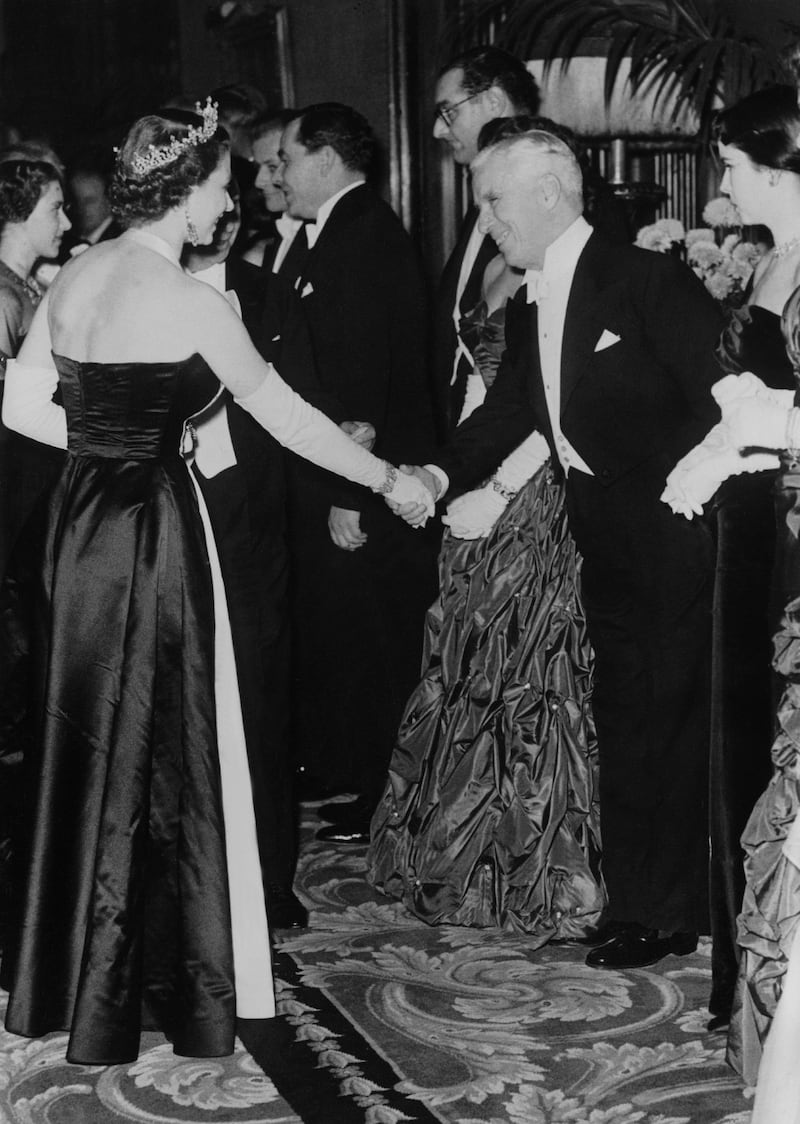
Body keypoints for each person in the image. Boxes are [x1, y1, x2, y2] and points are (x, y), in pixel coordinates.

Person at [0, 100, 432, 1066]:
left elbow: (23, 403)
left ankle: (65, 962)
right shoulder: (195, 300)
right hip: (154, 524)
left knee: (86, 733)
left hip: (78, 528)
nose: (229, 203)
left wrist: (107, 449)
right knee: (173, 742)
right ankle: (163, 976)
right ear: (187, 191)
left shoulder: (74, 273)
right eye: (221, 187)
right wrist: (392, 481)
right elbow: (289, 419)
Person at [394, 123, 725, 969]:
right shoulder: (537, 292)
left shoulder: (645, 279)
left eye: (495, 202)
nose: (487, 222)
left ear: (548, 194)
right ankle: (638, 903)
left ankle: (670, 909)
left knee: (667, 720)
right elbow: (511, 410)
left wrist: (670, 496)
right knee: (624, 716)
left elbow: (718, 405)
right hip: (601, 540)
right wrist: (436, 475)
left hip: (671, 534)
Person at [367, 226, 604, 936]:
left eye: (497, 193)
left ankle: (537, 869)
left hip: (527, 488)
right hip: (474, 466)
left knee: (527, 666)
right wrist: (451, 474)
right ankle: (457, 857)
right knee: (465, 657)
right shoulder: (505, 264)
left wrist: (497, 489)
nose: (488, 210)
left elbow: (548, 405)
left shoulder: (564, 274)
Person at [663, 84, 800, 1032]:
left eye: (735, 165)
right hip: (748, 528)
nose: (721, 182)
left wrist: (761, 430)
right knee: (738, 737)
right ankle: (745, 980)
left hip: (790, 534)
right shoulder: (773, 259)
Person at [274, 103, 439, 838]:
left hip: (365, 481)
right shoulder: (335, 232)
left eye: (284, 159)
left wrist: (351, 491)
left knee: (376, 643)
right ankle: (360, 778)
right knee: (350, 636)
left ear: (325, 157)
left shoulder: (364, 235)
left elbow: (366, 383)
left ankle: (384, 795)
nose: (275, 174)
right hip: (340, 475)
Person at [182, 174, 309, 930]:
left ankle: (267, 881)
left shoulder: (268, 294)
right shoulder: (132, 285)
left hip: (252, 522)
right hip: (165, 509)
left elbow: (299, 405)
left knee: (261, 699)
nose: (227, 218)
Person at [431, 46, 629, 440]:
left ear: (493, 100)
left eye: (448, 111)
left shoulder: (578, 200)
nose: (438, 130)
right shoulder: (482, 200)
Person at [0, 157, 71, 578]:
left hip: (43, 475)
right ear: (20, 216)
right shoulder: (3, 298)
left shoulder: (33, 285)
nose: (65, 223)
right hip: (18, 486)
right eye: (55, 209)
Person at [251, 110, 310, 280]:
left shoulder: (327, 237)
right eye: (257, 168)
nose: (258, 182)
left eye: (272, 167)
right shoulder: (272, 238)